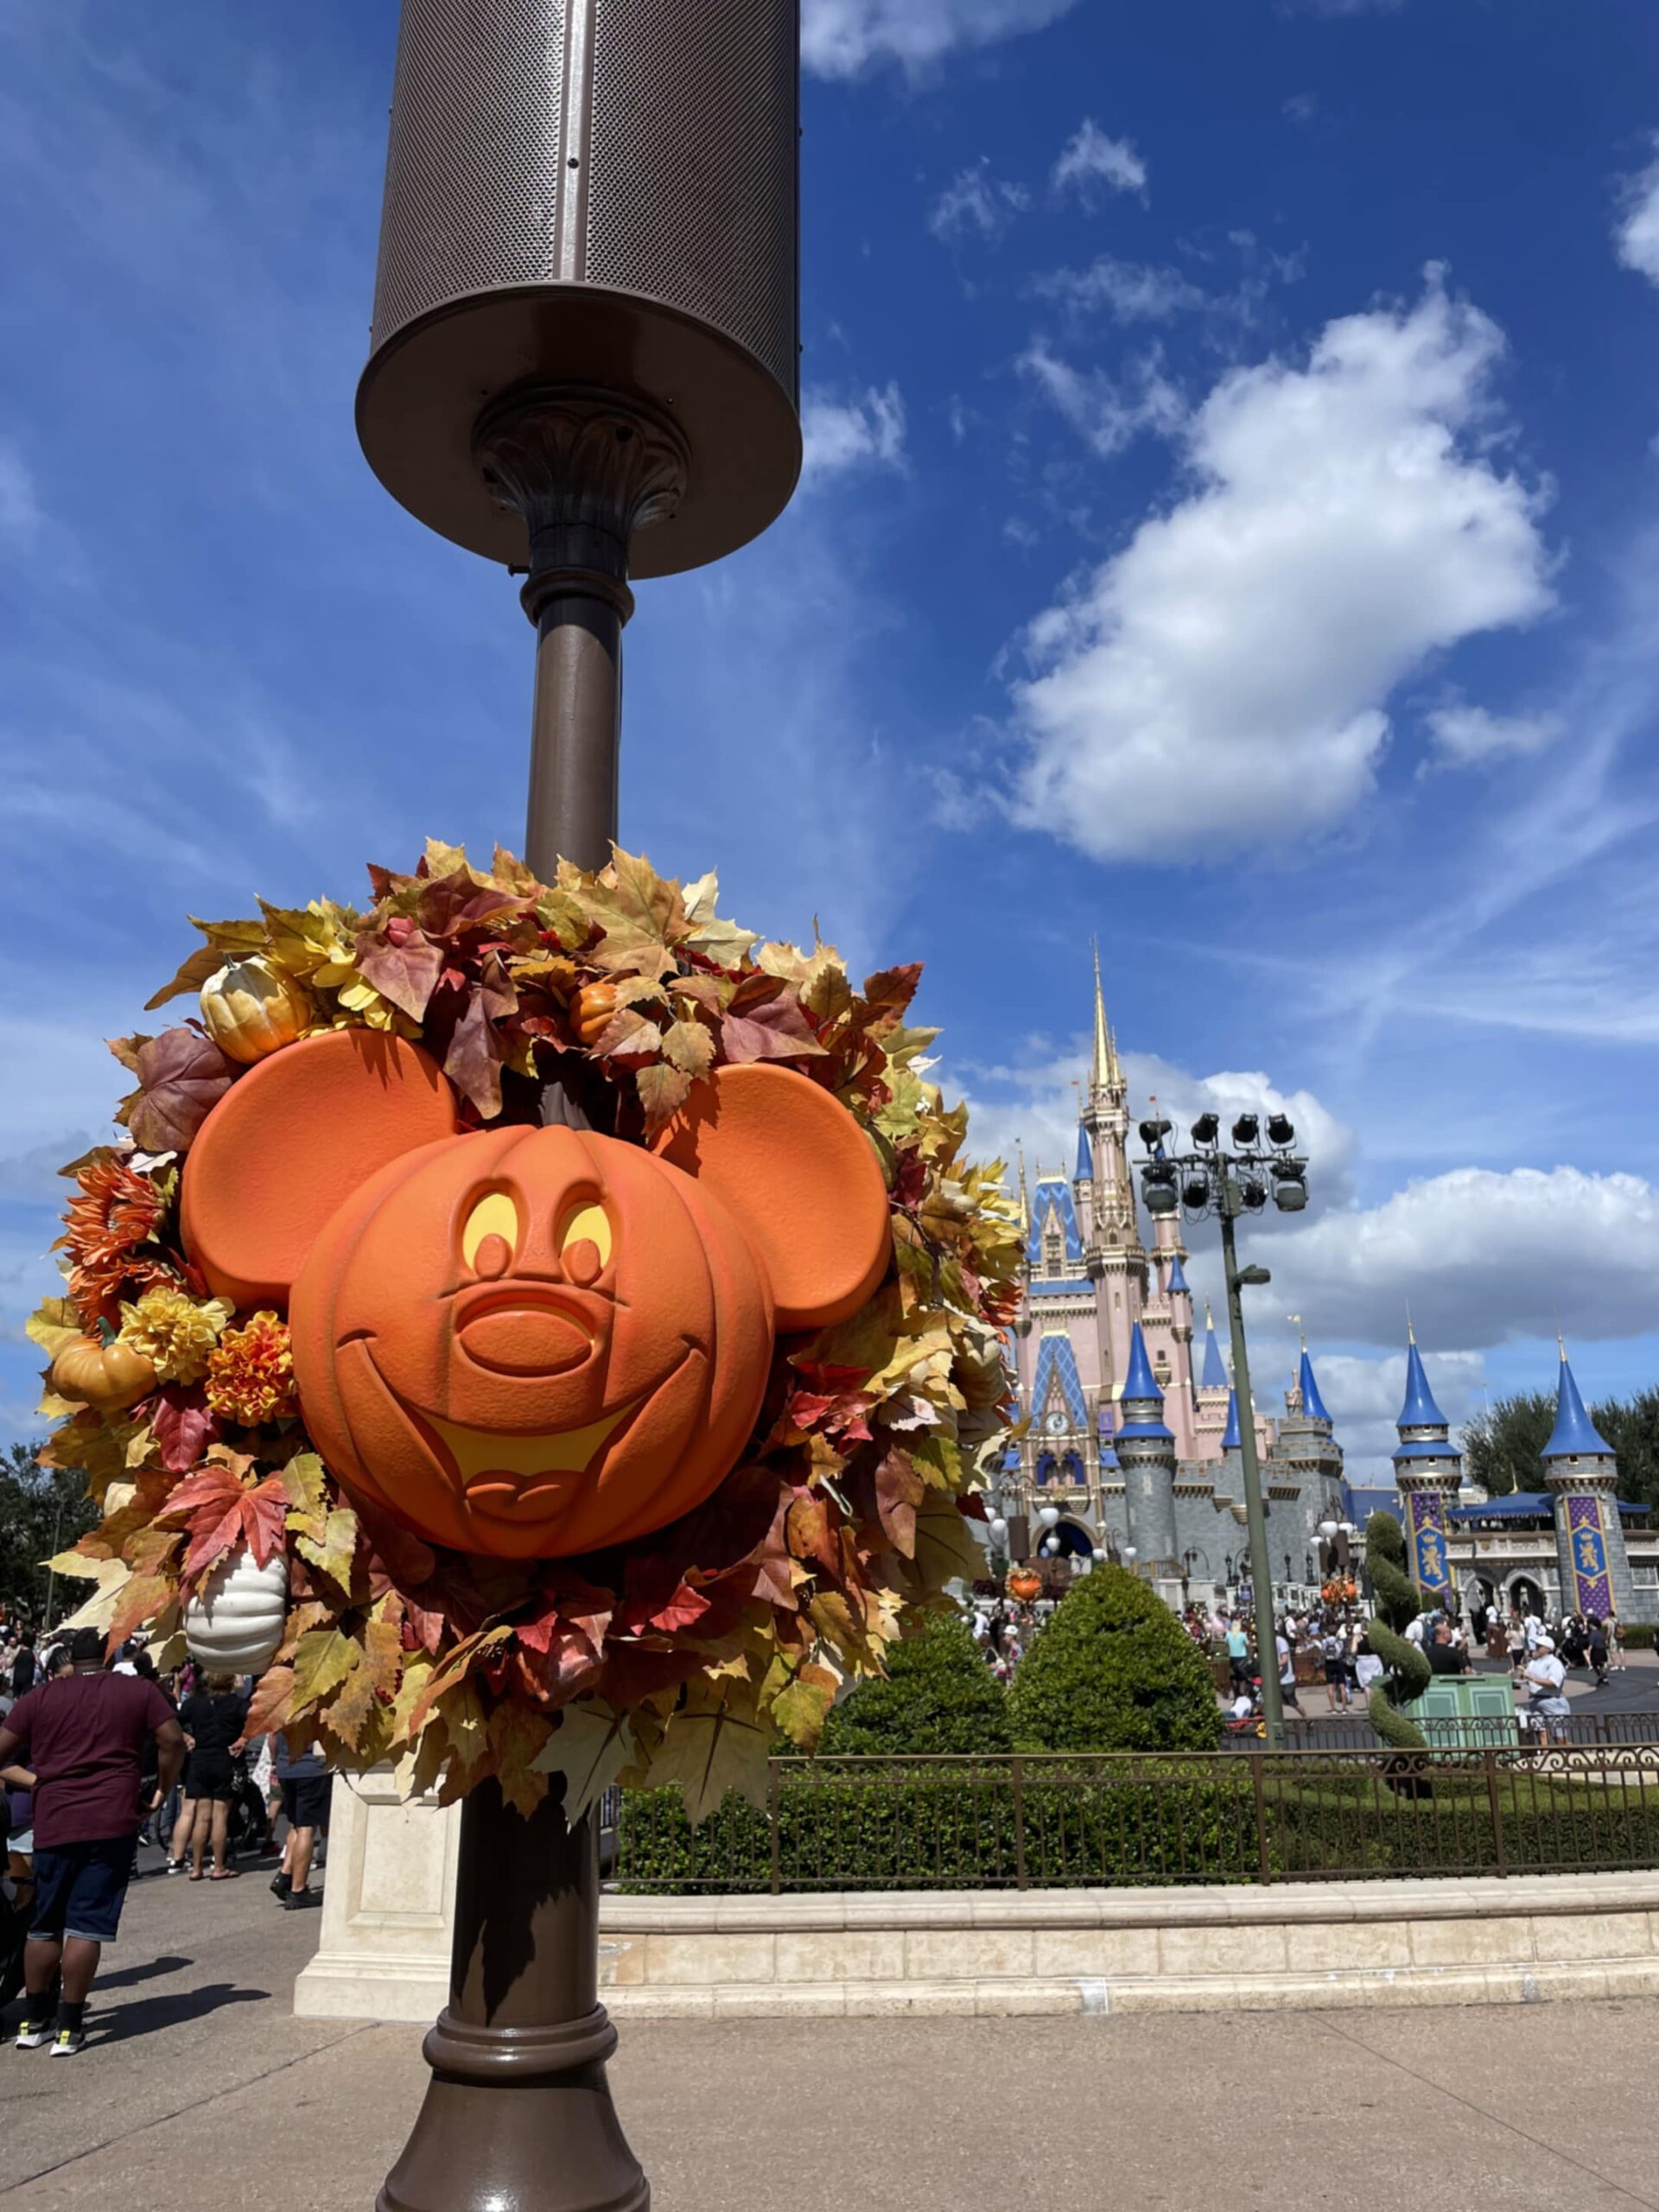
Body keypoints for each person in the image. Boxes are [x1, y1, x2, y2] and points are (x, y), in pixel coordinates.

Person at [0, 1627, 183, 2055]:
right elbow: (172, 1740)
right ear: (104, 1653)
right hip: (110, 1817)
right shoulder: (135, 1691)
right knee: (87, 1923)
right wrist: (161, 1789)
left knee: (45, 1925)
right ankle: (69, 2024)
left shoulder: (40, 1698)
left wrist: (39, 1781)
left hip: (54, 1819)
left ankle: (32, 2020)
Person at [179, 1671, 249, 1881]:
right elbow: (257, 1719)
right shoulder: (237, 1703)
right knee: (220, 1816)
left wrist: (186, 1737)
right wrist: (244, 1739)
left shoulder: (195, 1703)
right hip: (224, 1759)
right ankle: (218, 1866)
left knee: (202, 1816)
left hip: (199, 1760)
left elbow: (172, 1721)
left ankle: (196, 1867)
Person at [270, 1734, 331, 1910]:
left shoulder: (284, 1706)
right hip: (312, 1768)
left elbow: (272, 1738)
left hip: (286, 1767)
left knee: (295, 1824)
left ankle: (285, 1874)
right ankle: (298, 1889)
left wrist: (276, 1762)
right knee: (307, 1829)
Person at [1520, 1635, 1572, 1748]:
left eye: (1539, 1646)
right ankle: (1544, 1756)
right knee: (1541, 1731)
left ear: (1547, 1649)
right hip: (1536, 1700)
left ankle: (1564, 1754)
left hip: (1553, 1700)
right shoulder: (1533, 1663)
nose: (1536, 1648)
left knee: (1558, 1734)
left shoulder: (1554, 1663)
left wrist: (1532, 1679)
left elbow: (1553, 1683)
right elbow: (1526, 1677)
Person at [1224, 1618, 1250, 1695]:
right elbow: (1247, 1644)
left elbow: (1226, 1643)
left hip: (1233, 1657)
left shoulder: (1228, 1635)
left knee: (1234, 1675)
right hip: (1242, 1657)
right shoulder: (1242, 1635)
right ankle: (1242, 1691)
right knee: (1243, 1675)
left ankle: (1235, 1691)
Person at [10, 1633, 36, 1702]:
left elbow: (10, 1664)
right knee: (26, 1698)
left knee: (15, 1697)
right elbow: (39, 1662)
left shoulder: (18, 1651)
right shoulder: (32, 1652)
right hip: (28, 1678)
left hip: (17, 1677)